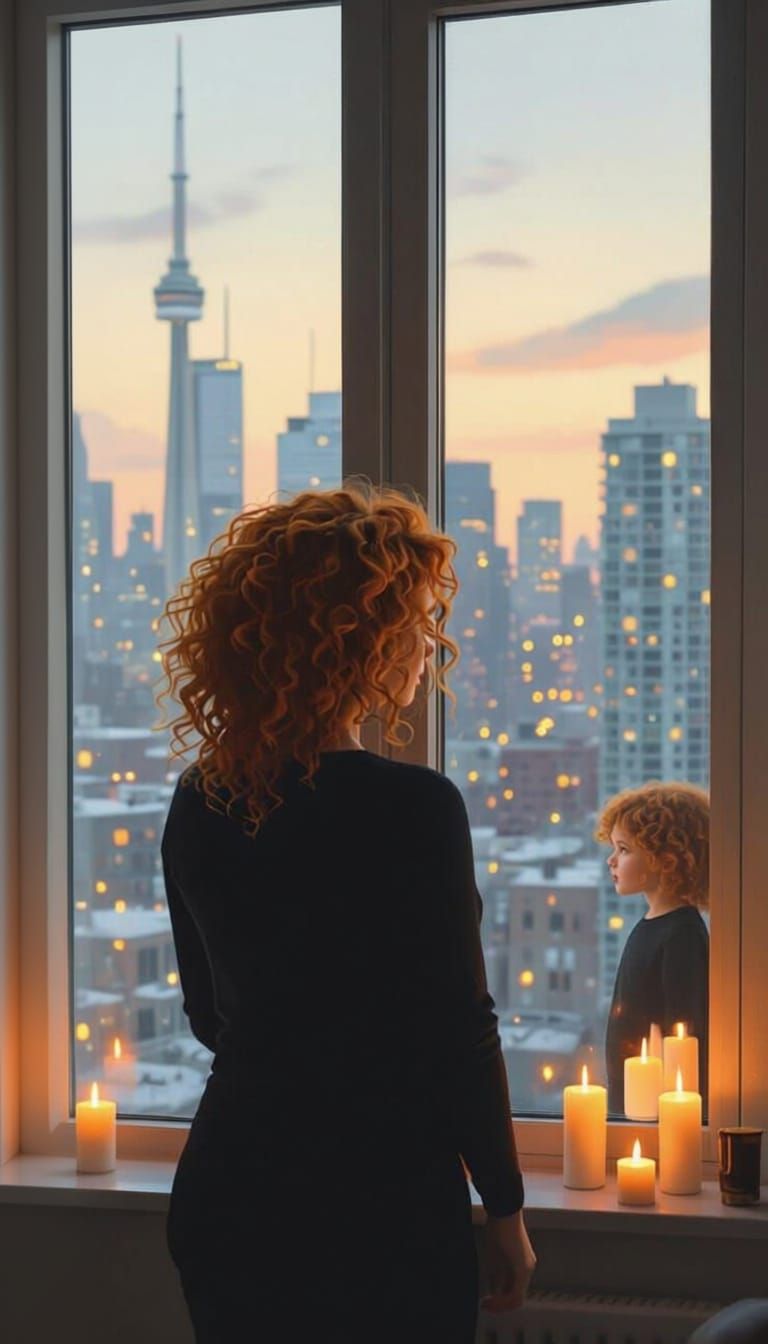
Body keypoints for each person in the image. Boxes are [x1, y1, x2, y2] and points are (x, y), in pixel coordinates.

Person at [155, 483, 536, 1343]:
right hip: (382, 1200)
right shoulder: (416, 807)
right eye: (415, 625)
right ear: (359, 641)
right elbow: (460, 1029)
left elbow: (208, 1014)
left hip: (236, 1185)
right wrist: (505, 1208)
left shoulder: (199, 797)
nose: (427, 649)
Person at [596, 781, 709, 1118]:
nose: (611, 861)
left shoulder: (682, 935)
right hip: (630, 1105)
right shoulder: (653, 925)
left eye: (624, 849)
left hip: (658, 1113)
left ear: (667, 859)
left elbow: (687, 1038)